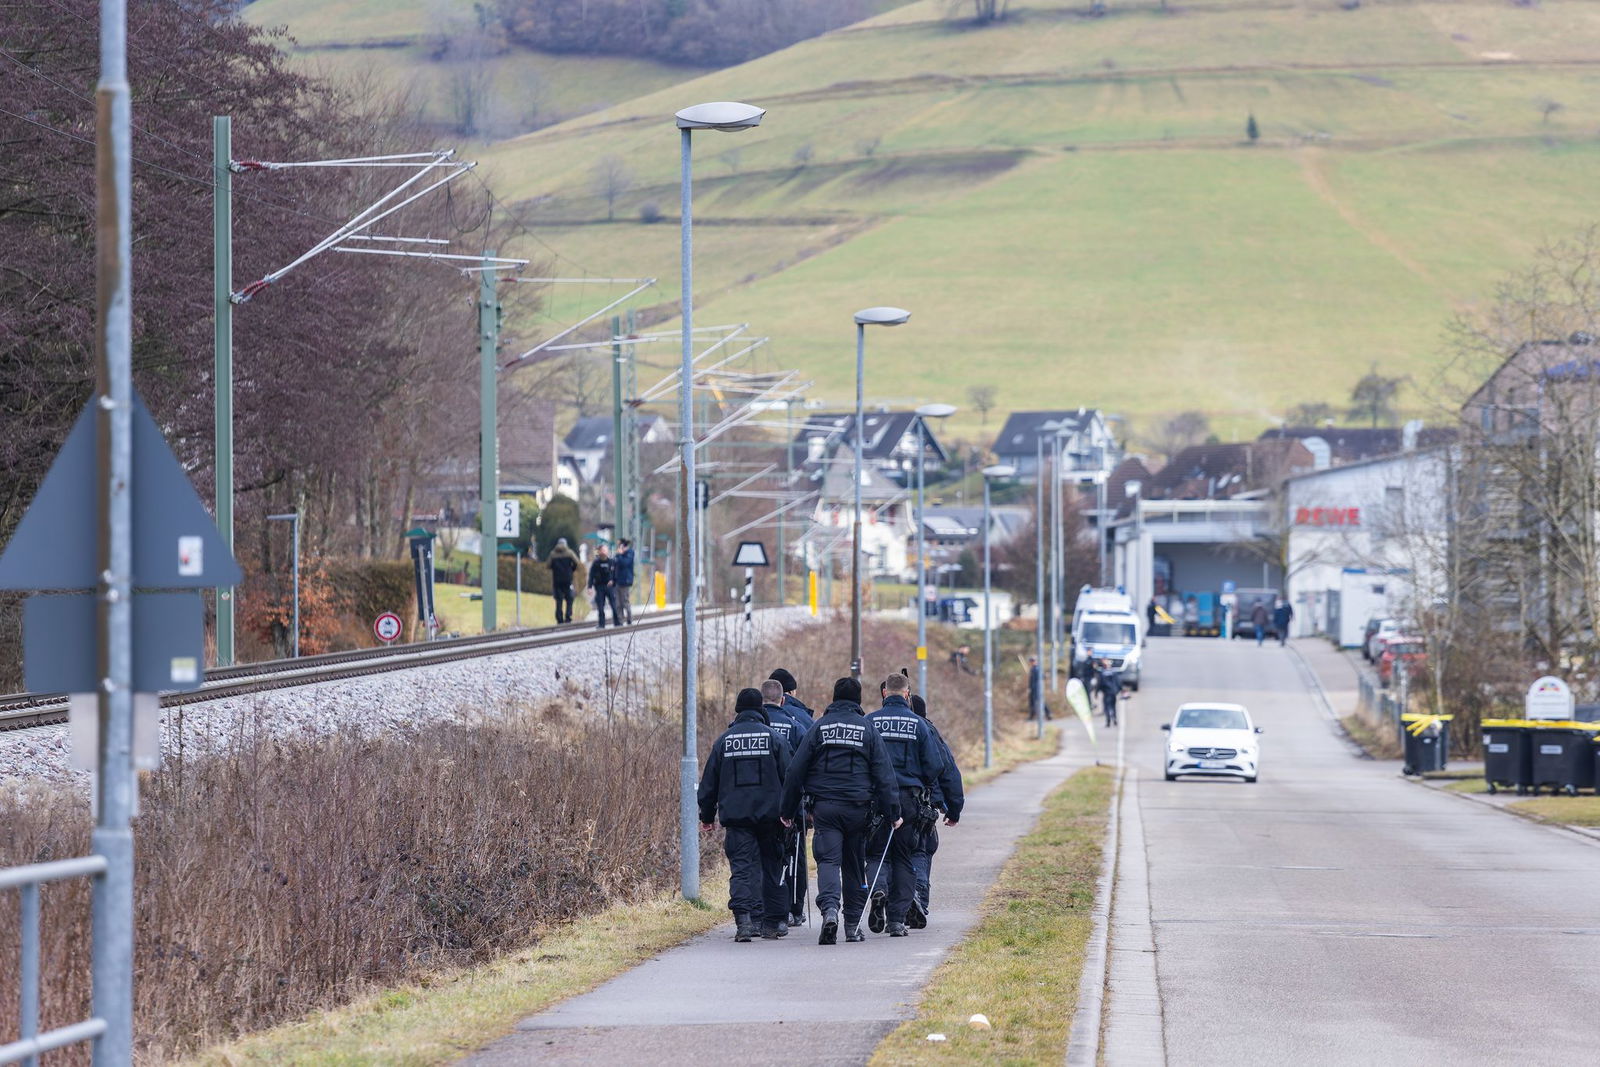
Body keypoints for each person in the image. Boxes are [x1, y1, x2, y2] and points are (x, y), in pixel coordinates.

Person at [780, 677, 899, 946]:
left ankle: (830, 909)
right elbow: (884, 775)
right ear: (858, 700)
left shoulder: (819, 727)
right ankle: (852, 926)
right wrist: (893, 813)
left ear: (834, 698)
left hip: (825, 808)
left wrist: (787, 809)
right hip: (858, 809)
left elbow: (795, 771)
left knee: (828, 862)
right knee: (854, 865)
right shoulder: (867, 729)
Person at [697, 688, 790, 942]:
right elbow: (789, 778)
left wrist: (706, 816)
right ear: (761, 709)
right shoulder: (775, 739)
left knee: (742, 869)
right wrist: (790, 811)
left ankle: (745, 922)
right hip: (771, 819)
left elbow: (708, 785)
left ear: (737, 711)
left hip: (737, 819)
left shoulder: (724, 741)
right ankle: (772, 923)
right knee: (772, 867)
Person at [865, 673, 946, 937]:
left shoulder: (870, 722)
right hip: (909, 798)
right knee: (903, 855)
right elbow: (935, 765)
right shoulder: (918, 724)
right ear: (907, 694)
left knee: (877, 852)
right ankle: (897, 920)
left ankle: (878, 888)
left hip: (876, 797)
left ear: (885, 693)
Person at [909, 693, 963, 928]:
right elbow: (948, 771)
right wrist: (953, 808)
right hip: (924, 803)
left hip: (889, 804)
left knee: (890, 853)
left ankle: (893, 899)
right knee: (920, 850)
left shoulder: (879, 725)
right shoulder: (930, 732)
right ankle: (919, 897)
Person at [760, 679, 807, 925]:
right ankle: (793, 909)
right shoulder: (795, 724)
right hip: (787, 803)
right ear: (783, 699)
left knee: (758, 858)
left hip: (755, 803)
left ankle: (759, 911)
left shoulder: (741, 726)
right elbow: (805, 764)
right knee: (791, 855)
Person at [547, 538, 579, 624]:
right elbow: (576, 562)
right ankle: (568, 617)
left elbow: (548, 565)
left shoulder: (553, 554)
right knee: (569, 599)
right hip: (568, 579)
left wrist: (555, 568)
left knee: (559, 600)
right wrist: (572, 569)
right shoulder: (570, 553)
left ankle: (559, 619)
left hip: (557, 580)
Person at [588, 545, 619, 629]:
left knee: (614, 605)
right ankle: (601, 624)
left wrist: (613, 581)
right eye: (602, 550)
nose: (603, 552)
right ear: (599, 552)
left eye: (605, 550)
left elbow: (616, 574)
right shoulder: (596, 563)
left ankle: (617, 622)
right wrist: (589, 587)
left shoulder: (612, 562)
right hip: (599, 587)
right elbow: (591, 575)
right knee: (600, 606)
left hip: (610, 587)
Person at [1094, 657, 1123, 727]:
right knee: (1113, 706)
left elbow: (1099, 683)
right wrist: (1119, 690)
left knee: (1106, 707)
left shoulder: (1102, 673)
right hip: (1113, 692)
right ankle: (1114, 718)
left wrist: (1096, 692)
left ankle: (1108, 721)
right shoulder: (1113, 672)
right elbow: (1118, 682)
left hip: (1106, 693)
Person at [614, 538, 636, 625]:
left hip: (625, 581)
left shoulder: (630, 553)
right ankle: (620, 620)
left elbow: (625, 563)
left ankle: (629, 619)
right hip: (618, 581)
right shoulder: (619, 555)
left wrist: (619, 555)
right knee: (618, 603)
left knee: (625, 601)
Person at [1027, 656, 1052, 720]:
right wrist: (1029, 688)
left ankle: (1048, 714)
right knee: (1032, 702)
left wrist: (1045, 675)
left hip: (1037, 689)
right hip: (1033, 689)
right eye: (1031, 661)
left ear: (1035, 661)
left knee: (1040, 702)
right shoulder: (1032, 669)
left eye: (1033, 661)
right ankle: (1032, 716)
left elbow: (1043, 677)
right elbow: (1031, 680)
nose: (1032, 662)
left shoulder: (1037, 669)